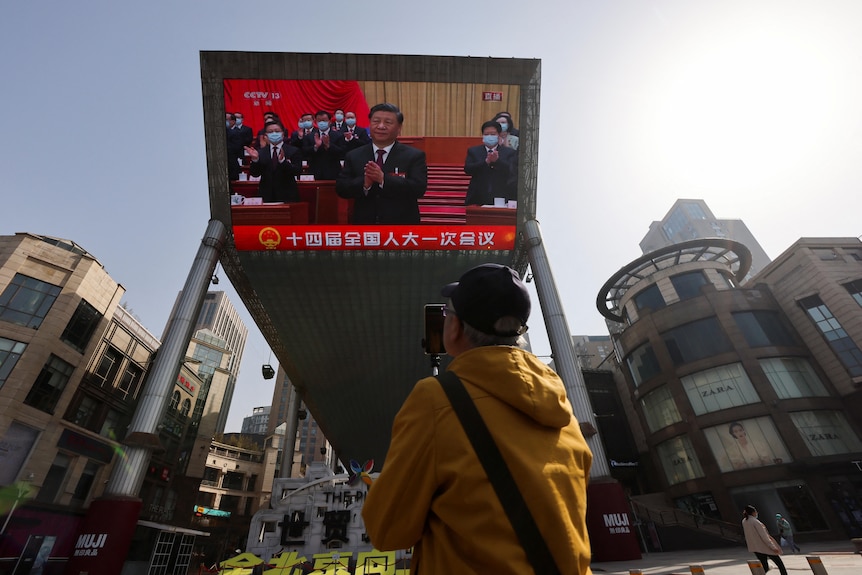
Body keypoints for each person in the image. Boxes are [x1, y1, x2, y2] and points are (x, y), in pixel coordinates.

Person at [363, 263, 593, 574]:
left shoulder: (435, 399)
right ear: (519, 332)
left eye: (447, 314)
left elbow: (386, 529)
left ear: (455, 328)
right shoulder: (561, 409)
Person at [336, 103, 428, 224]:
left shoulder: (414, 156)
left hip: (401, 228)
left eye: (388, 122)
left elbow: (418, 189)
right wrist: (364, 183)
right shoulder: (354, 155)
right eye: (376, 121)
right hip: (365, 228)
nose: (381, 126)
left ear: (399, 128)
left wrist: (384, 179)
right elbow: (341, 188)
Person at [245, 121, 303, 203]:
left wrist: (283, 161)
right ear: (266, 136)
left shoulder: (293, 150)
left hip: (288, 194)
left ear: (283, 134)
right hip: (266, 195)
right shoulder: (260, 152)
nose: (274, 133)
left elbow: (297, 171)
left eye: (277, 131)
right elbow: (255, 174)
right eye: (270, 132)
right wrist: (255, 160)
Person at [463, 120, 519, 206]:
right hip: (478, 195)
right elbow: (468, 169)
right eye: (486, 134)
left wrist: (497, 161)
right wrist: (486, 162)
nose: (489, 137)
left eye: (493, 134)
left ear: (499, 135)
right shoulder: (474, 151)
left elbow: (512, 170)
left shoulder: (509, 152)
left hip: (503, 194)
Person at [742, 505, 787, 575]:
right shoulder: (756, 522)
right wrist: (773, 547)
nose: (756, 513)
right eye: (756, 511)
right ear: (753, 512)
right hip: (765, 547)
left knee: (764, 566)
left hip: (755, 548)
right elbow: (764, 536)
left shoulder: (744, 521)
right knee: (780, 564)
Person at [302, 110, 346, 180]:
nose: (322, 123)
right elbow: (304, 151)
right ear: (315, 122)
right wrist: (315, 147)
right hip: (315, 171)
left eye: (324, 120)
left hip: (333, 172)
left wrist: (329, 145)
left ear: (330, 121)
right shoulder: (310, 136)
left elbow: (342, 152)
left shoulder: (338, 135)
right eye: (319, 121)